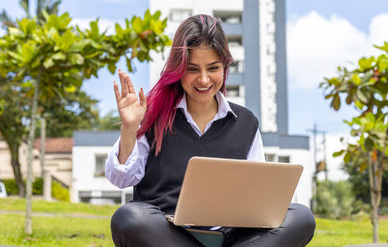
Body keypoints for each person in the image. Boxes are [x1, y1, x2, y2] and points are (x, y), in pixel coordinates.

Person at [105, 14, 315, 247]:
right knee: (129, 218)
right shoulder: (153, 115)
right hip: (167, 235)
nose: (203, 80)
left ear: (225, 67)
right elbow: (121, 178)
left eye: (213, 68)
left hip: (232, 237)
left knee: (301, 217)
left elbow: (259, 198)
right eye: (192, 69)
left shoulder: (246, 122)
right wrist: (129, 128)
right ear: (179, 70)